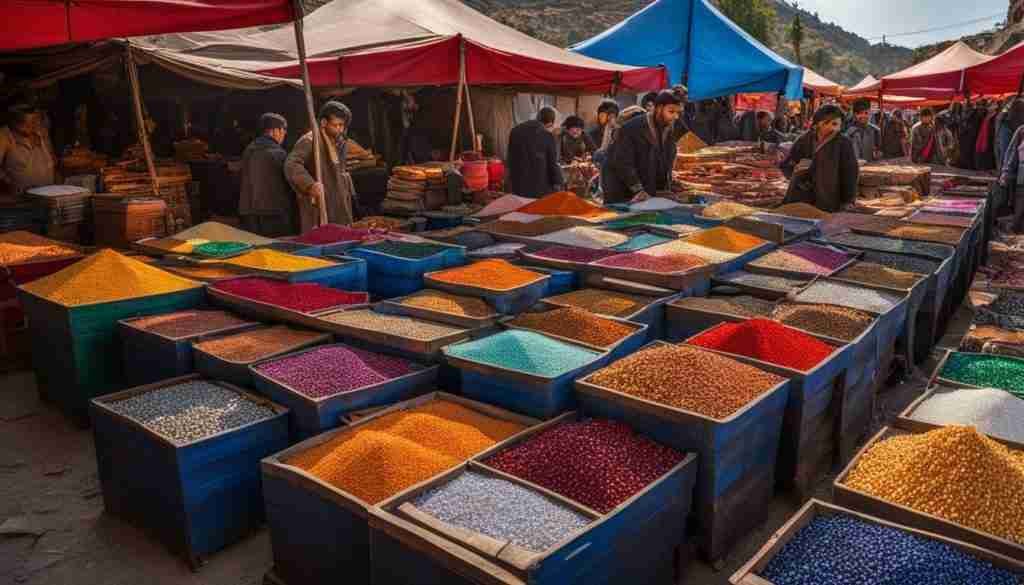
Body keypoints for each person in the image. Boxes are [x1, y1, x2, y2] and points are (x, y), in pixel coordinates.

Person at [285, 101, 358, 232]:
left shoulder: (339, 141)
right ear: (324, 122)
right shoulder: (310, 140)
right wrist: (310, 184)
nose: (340, 129)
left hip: (338, 202)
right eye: (337, 125)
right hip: (320, 204)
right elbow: (291, 164)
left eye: (343, 126)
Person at [603, 91, 683, 204]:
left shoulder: (667, 129)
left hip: (644, 194)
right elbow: (622, 163)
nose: (675, 116)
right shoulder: (633, 128)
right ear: (659, 108)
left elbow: (664, 162)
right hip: (620, 191)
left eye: (678, 112)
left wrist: (664, 189)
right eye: (671, 111)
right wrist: (638, 190)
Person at [780, 104, 859, 213]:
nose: (835, 128)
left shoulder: (843, 143)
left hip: (829, 198)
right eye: (832, 124)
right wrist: (797, 173)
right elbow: (786, 165)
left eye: (838, 125)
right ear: (819, 123)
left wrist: (848, 200)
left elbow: (850, 172)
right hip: (802, 198)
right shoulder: (804, 140)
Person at [238, 113, 294, 237]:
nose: (284, 134)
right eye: (283, 130)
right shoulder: (278, 153)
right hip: (273, 213)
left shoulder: (249, 149)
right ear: (275, 131)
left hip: (248, 211)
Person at [0, 104, 56, 200]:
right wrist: (10, 184)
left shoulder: (41, 132)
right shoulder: (4, 135)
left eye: (35, 122)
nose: (33, 127)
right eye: (26, 124)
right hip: (20, 200)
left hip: (48, 196)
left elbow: (53, 161)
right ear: (13, 122)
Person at [506, 106, 563, 198]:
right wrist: (559, 182)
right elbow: (552, 164)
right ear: (550, 123)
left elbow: (510, 158)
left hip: (518, 186)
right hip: (538, 189)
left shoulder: (515, 131)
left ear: (537, 117)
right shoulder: (547, 136)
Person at [997, 100, 1024, 172]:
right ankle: (1003, 175)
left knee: (1007, 154)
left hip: (1012, 129)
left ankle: (1004, 174)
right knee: (1007, 153)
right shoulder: (1011, 103)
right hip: (1008, 128)